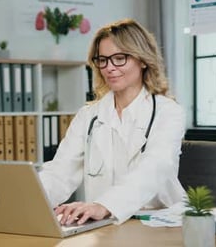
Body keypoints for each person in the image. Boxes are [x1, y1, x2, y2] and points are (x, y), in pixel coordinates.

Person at [39, 18, 186, 226]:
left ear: (143, 60)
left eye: (120, 58)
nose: (109, 67)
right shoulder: (88, 116)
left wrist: (104, 206)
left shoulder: (168, 112)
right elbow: (61, 171)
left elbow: (154, 167)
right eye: (103, 60)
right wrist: (28, 199)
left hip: (158, 222)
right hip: (103, 224)